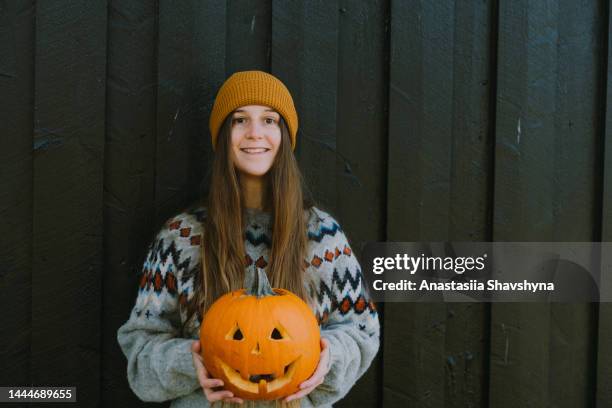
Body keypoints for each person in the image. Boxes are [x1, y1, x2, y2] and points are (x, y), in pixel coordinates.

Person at [117, 71, 380, 407]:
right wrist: (191, 363)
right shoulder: (181, 237)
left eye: (269, 120)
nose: (255, 133)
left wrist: (327, 359)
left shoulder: (321, 235)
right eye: (240, 120)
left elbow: (362, 332)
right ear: (223, 135)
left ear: (284, 136)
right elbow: (141, 347)